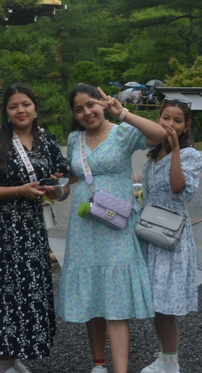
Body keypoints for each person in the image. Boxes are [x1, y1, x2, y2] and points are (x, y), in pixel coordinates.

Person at [57, 83, 168, 373]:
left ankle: (120, 370)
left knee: (116, 297)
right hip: (84, 228)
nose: (86, 112)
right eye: (79, 109)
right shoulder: (74, 139)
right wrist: (55, 189)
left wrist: (124, 113)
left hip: (117, 224)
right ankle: (98, 365)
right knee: (93, 295)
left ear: (103, 103)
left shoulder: (123, 132)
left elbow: (160, 135)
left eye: (91, 104)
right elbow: (69, 180)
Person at [0, 84, 69, 373]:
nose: (21, 110)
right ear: (5, 112)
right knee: (3, 290)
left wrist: (56, 191)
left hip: (30, 228)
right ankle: (4, 361)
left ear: (35, 108)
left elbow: (63, 186)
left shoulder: (48, 141)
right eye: (13, 106)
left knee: (26, 289)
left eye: (26, 104)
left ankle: (14, 352)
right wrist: (18, 190)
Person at [139, 100, 202, 373]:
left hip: (172, 235)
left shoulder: (190, 155)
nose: (171, 124)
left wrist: (176, 149)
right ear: (158, 118)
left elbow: (178, 189)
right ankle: (165, 357)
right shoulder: (152, 155)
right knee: (155, 304)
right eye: (166, 118)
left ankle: (172, 365)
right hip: (150, 233)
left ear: (186, 125)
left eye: (178, 120)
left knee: (166, 307)